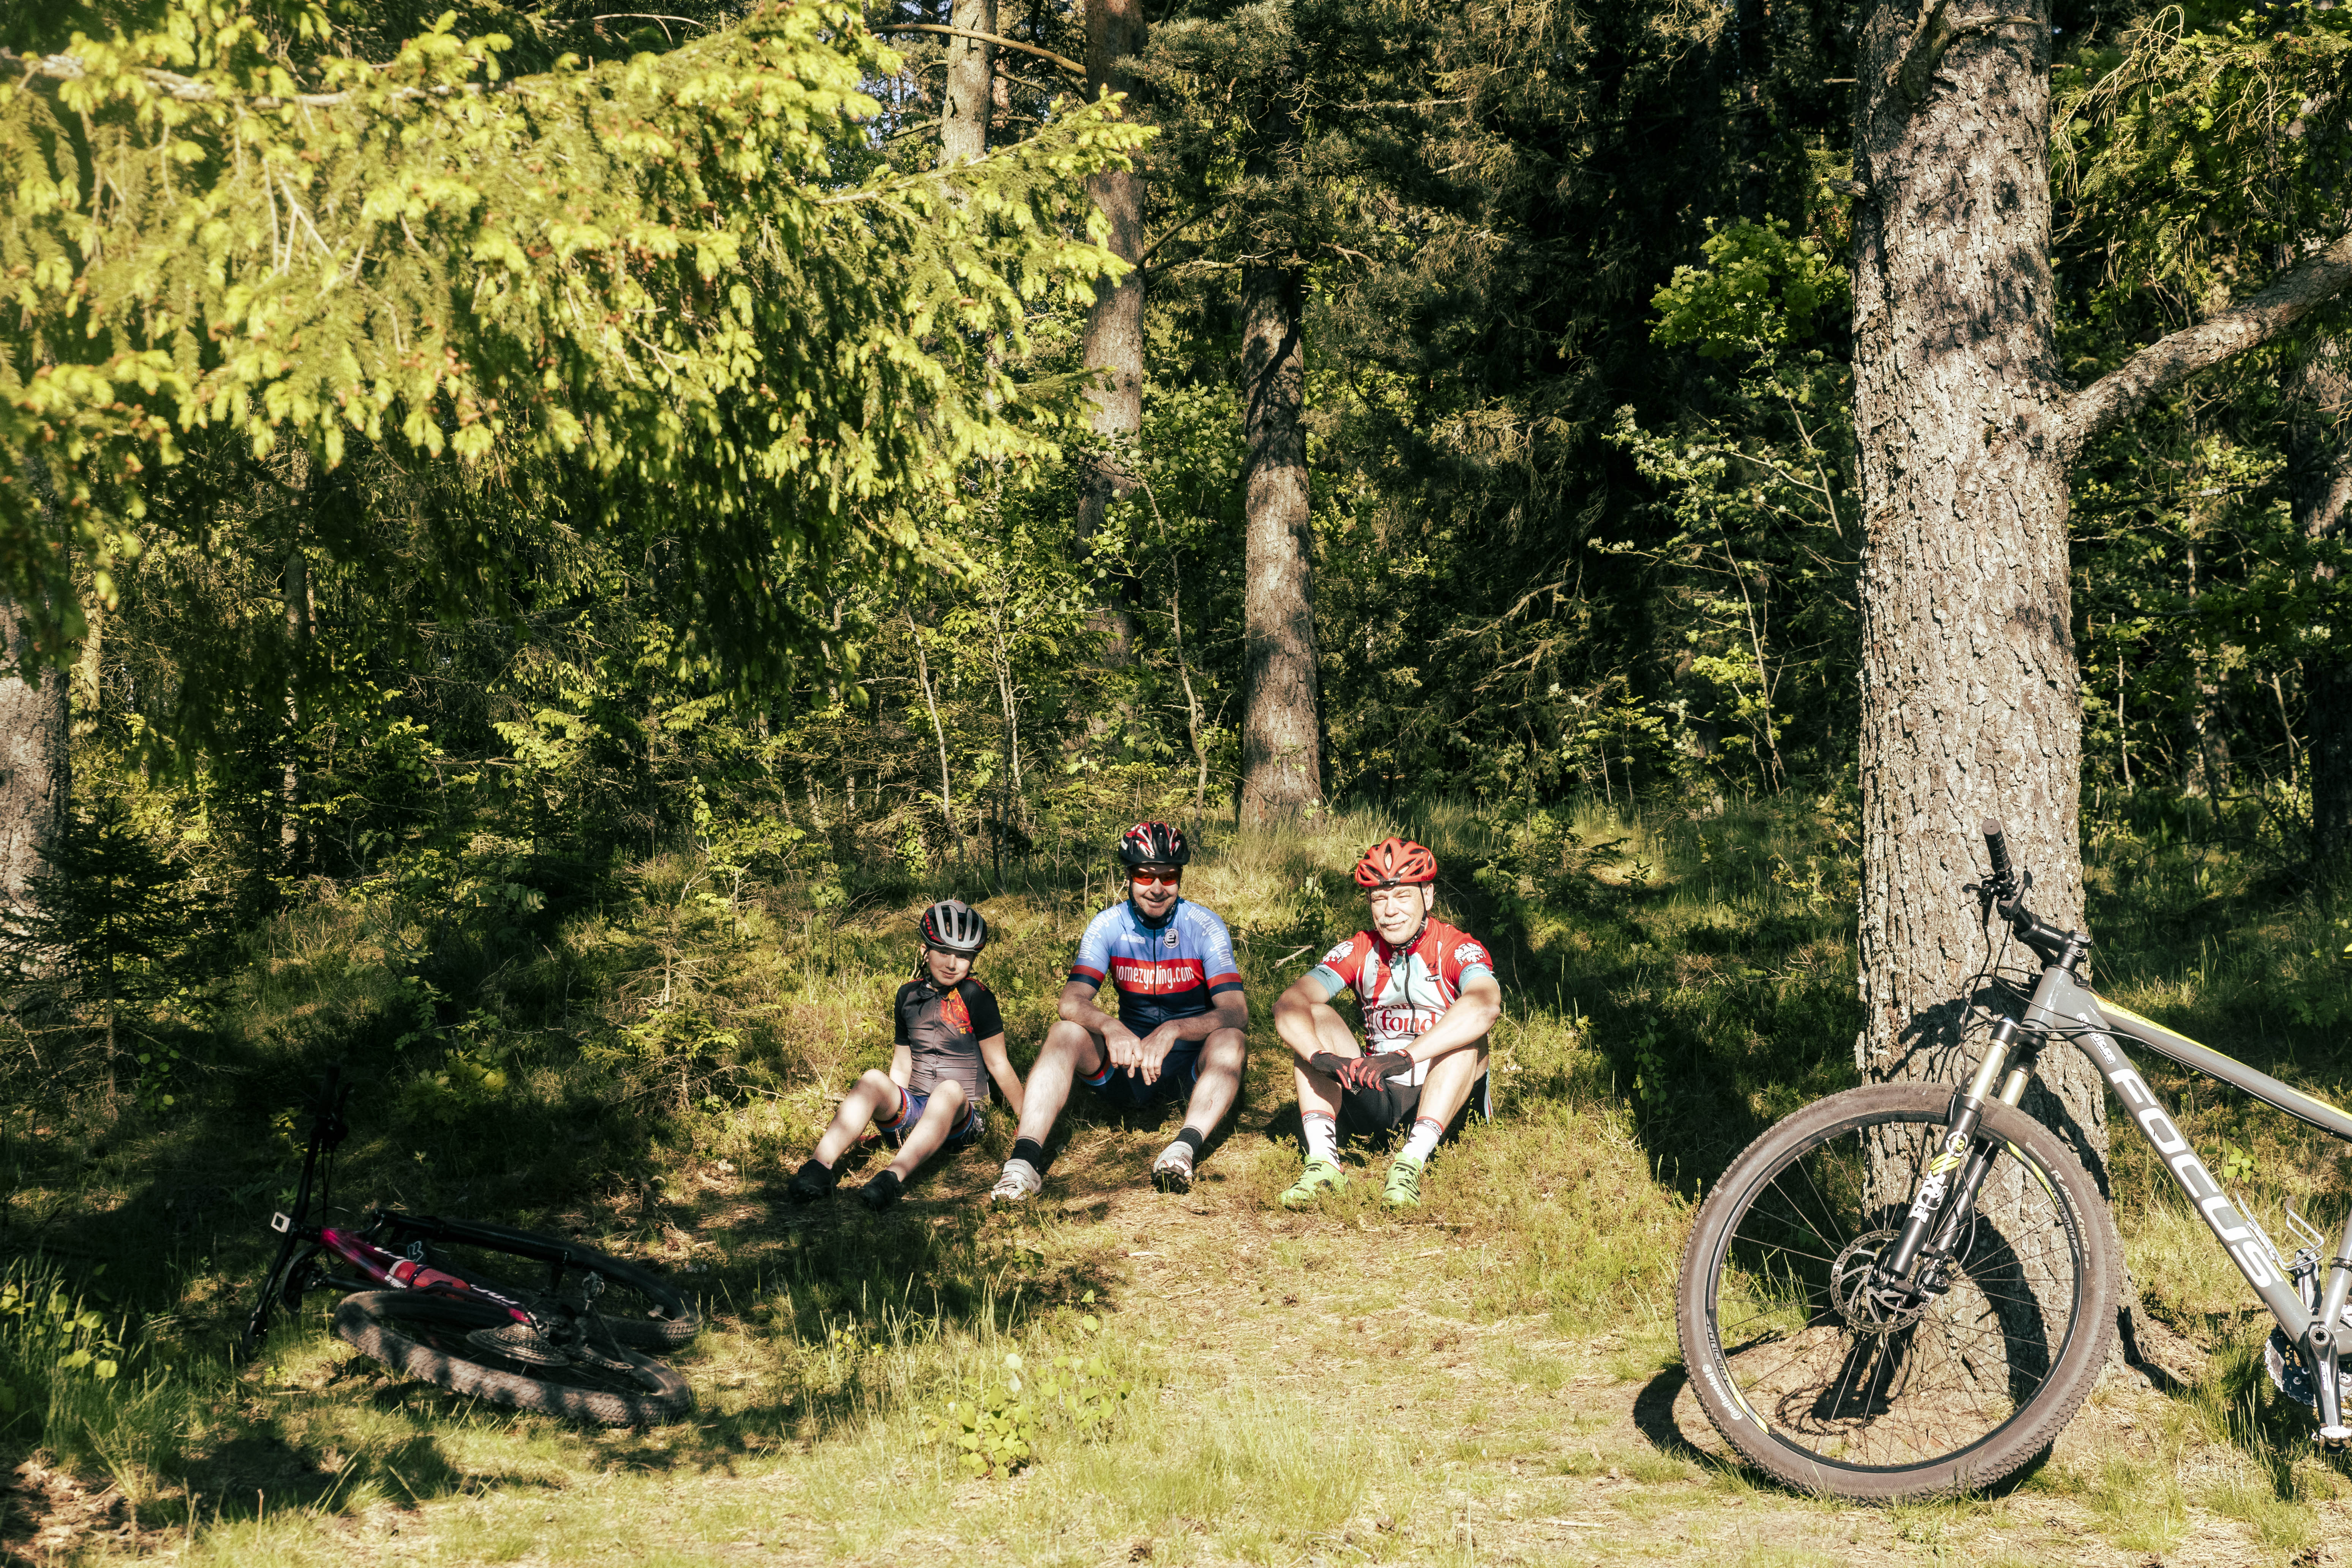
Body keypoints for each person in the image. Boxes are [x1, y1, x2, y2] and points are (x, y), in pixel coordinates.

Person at [988, 821, 1247, 1202]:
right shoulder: (1108, 925)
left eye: (1168, 877)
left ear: (1179, 878)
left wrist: (1174, 1029)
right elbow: (1071, 1001)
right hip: (1128, 1067)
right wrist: (1110, 1026)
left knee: (1232, 1039)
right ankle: (1022, 1163)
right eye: (1145, 876)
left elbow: (1236, 1013)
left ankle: (1184, 1149)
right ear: (1129, 876)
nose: (1157, 888)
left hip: (1190, 1071)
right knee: (1064, 1032)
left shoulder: (1204, 925)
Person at [1272, 836, 1500, 1209]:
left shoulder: (1457, 947)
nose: (1390, 911)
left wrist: (1406, 1057)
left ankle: (1410, 1163)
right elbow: (1289, 1003)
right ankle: (1324, 1163)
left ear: (1428, 896)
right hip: (1379, 1093)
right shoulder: (1359, 948)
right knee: (1315, 1016)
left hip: (1444, 1096)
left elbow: (1485, 1006)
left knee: (1469, 1038)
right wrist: (1318, 1057)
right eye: (1379, 899)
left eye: (1402, 897)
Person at [786, 899, 1023, 1212]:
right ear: (925, 950)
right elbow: (902, 1063)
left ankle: (891, 1178)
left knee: (949, 1090)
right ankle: (819, 1168)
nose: (953, 964)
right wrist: (891, 1109)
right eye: (944, 952)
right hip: (917, 1109)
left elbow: (998, 1062)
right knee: (872, 1079)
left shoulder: (977, 996)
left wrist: (1027, 1119)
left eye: (964, 956)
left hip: (962, 1117)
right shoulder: (907, 995)